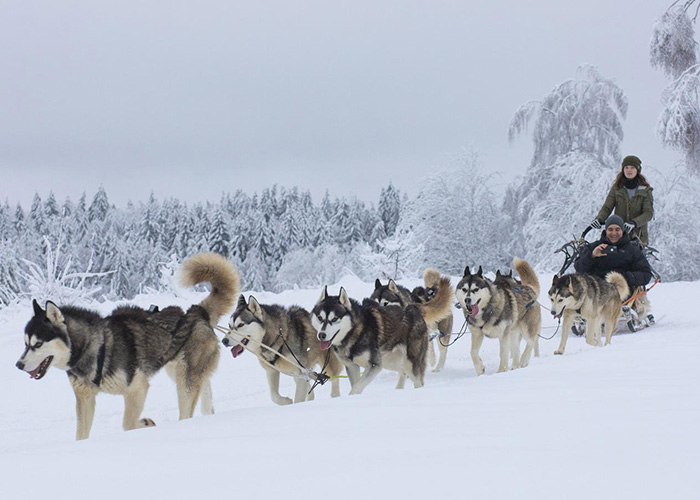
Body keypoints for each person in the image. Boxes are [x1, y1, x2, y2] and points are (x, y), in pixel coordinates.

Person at [575, 214, 652, 297]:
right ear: (606, 230)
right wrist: (592, 255)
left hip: (623, 294)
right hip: (596, 294)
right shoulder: (594, 247)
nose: (614, 233)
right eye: (610, 229)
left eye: (617, 229)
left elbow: (646, 274)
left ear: (622, 231)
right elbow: (579, 268)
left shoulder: (632, 250)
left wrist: (623, 277)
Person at [590, 155, 654, 245]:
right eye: (626, 167)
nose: (629, 170)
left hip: (638, 237)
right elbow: (607, 207)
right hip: (618, 236)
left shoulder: (645, 190)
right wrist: (599, 219)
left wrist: (634, 223)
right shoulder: (617, 188)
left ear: (638, 170)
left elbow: (648, 213)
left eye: (632, 167)